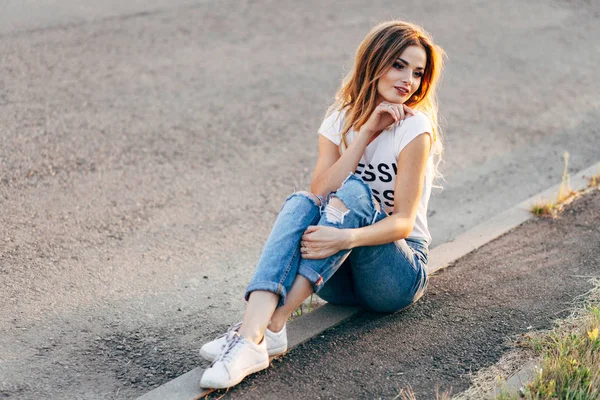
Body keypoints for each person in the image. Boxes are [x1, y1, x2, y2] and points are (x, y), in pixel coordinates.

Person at [199, 20, 445, 390]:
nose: (407, 79)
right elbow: (321, 188)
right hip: (335, 278)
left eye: (417, 72)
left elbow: (404, 224)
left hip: (396, 273)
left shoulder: (415, 128)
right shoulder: (339, 121)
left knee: (358, 193)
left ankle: (257, 330)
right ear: (374, 62)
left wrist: (343, 240)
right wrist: (365, 134)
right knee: (302, 201)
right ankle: (262, 333)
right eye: (398, 65)